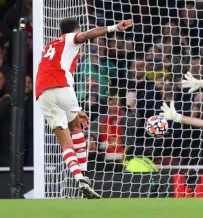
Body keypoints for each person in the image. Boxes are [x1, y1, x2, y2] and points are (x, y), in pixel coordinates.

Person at [35, 17, 133, 199]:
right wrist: (114, 28)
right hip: (61, 86)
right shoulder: (69, 39)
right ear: (75, 30)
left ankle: (79, 178)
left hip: (42, 92)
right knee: (76, 128)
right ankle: (84, 172)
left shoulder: (50, 46)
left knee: (65, 141)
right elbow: (88, 35)